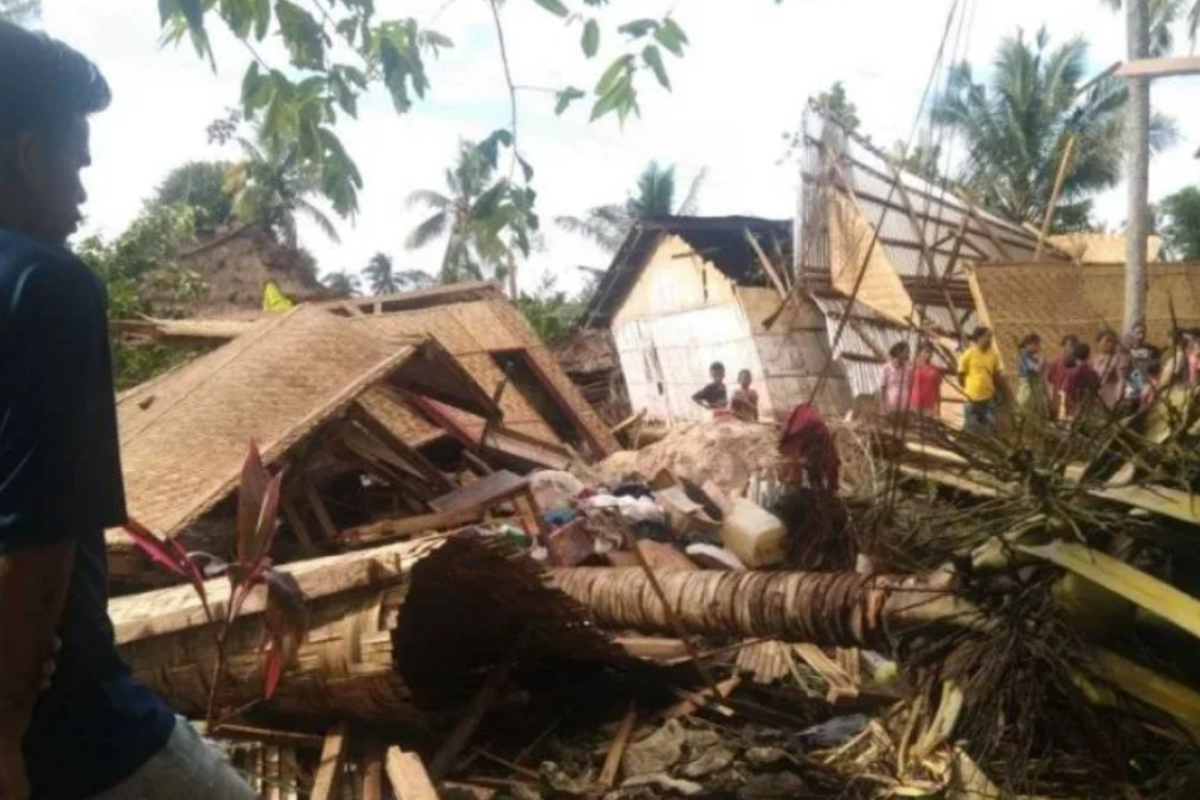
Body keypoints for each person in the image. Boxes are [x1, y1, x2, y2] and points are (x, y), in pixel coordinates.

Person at [0, 23, 256, 800]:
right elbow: (39, 551)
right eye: (74, 165)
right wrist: (3, 738)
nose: (80, 195)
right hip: (77, 738)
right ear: (27, 155)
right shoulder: (47, 287)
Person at [957, 327, 1002, 433]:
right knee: (971, 427)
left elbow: (996, 375)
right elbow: (960, 375)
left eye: (991, 337)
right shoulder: (968, 354)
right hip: (971, 399)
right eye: (988, 336)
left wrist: (996, 392)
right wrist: (969, 389)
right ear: (978, 337)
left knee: (990, 426)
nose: (990, 339)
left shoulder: (994, 356)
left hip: (988, 399)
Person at [1060, 342, 1101, 421]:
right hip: (1089, 411)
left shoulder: (1071, 373)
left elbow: (1066, 393)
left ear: (1074, 355)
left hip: (1074, 410)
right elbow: (1096, 392)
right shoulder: (1094, 373)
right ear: (1088, 356)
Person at [1092, 330, 1129, 410]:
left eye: (1112, 341)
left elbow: (1121, 379)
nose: (1110, 344)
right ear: (1098, 342)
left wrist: (1118, 398)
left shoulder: (1119, 358)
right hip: (1096, 400)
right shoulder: (1096, 359)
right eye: (1107, 341)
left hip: (1111, 399)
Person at [1046, 334, 1079, 420]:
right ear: (1063, 347)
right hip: (1058, 399)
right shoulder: (1056, 363)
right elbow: (1050, 382)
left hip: (1073, 400)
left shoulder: (1079, 364)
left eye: (1074, 346)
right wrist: (1050, 399)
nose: (1072, 348)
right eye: (1069, 345)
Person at [1014, 333, 1047, 420]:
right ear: (1029, 344)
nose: (1038, 347)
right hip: (1027, 388)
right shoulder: (1022, 357)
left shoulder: (1031, 357)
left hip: (1035, 389)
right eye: (1037, 344)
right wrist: (1041, 361)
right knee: (1025, 412)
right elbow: (1037, 369)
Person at [908, 342, 943, 417]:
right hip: (914, 404)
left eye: (931, 352)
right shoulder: (914, 367)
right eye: (926, 351)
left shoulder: (935, 370)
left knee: (927, 427)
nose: (929, 354)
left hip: (929, 406)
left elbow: (937, 390)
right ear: (920, 352)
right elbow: (909, 386)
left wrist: (938, 407)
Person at [1126, 322, 1162, 389]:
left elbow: (1156, 368)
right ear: (1132, 333)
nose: (1141, 335)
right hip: (1131, 383)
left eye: (1143, 332)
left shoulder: (1153, 350)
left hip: (1148, 383)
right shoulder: (1126, 350)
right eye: (1138, 332)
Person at [880, 342, 912, 415]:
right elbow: (883, 388)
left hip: (905, 405)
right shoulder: (886, 368)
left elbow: (910, 386)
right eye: (906, 352)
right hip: (891, 404)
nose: (908, 355)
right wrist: (883, 406)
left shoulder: (908, 368)